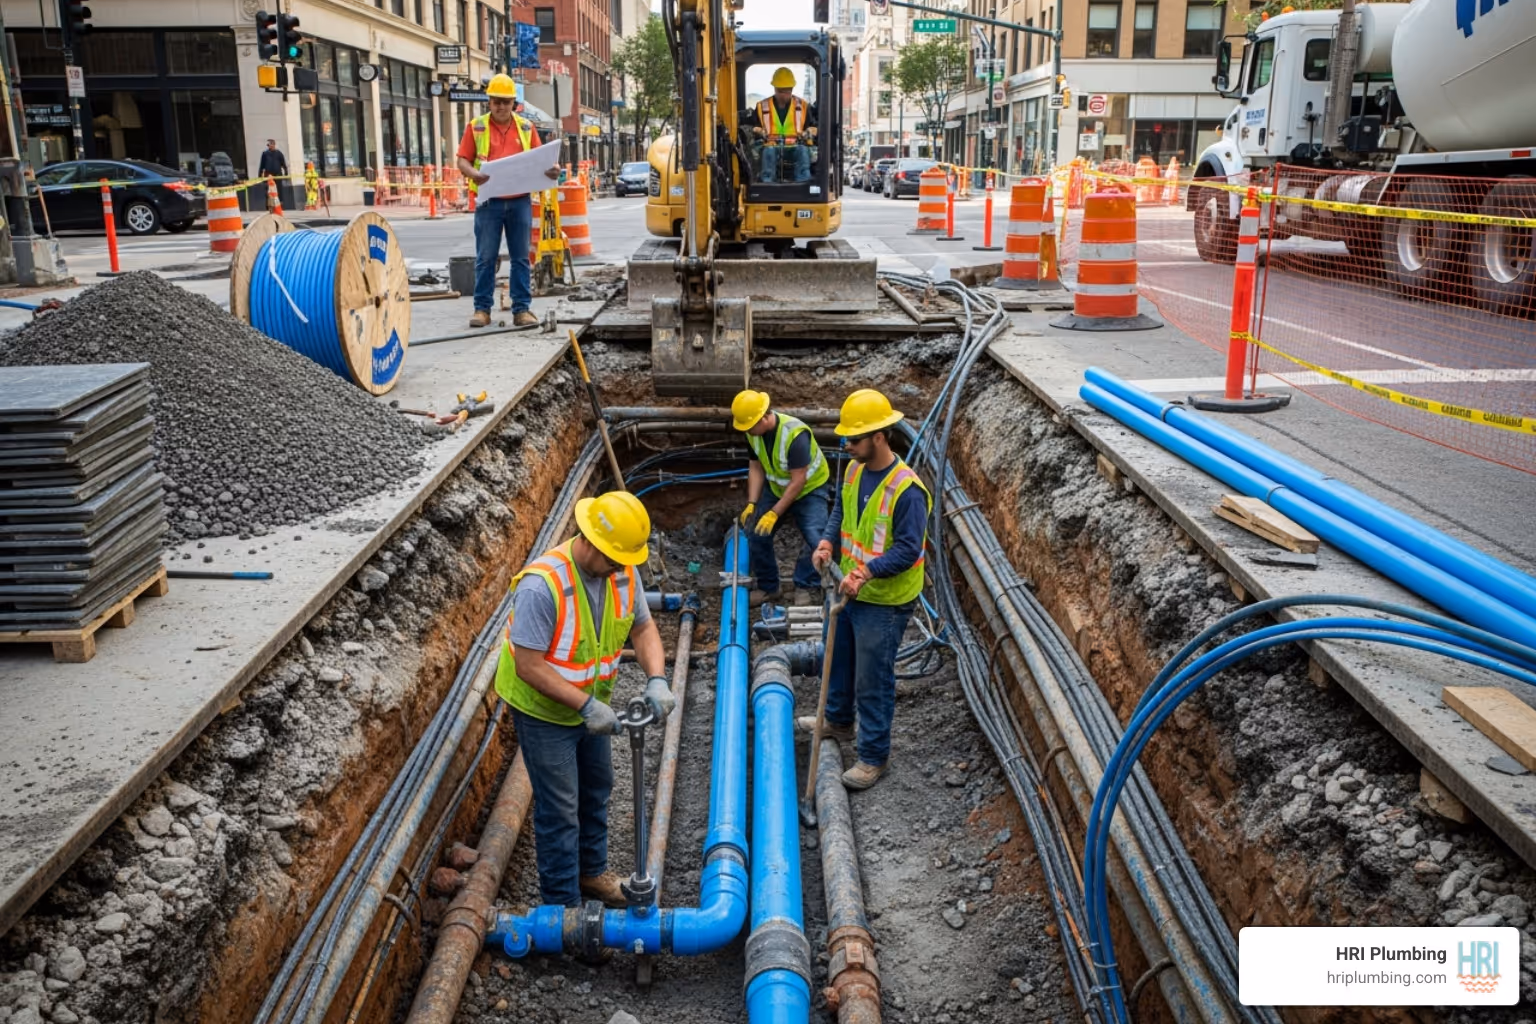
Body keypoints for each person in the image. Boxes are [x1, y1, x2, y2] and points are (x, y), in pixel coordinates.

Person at [496, 490, 676, 913]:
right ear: (590, 541)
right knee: (560, 809)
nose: (621, 568)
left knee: (597, 789)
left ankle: (591, 873)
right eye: (614, 558)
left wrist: (657, 679)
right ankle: (563, 908)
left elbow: (644, 629)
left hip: (591, 706)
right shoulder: (543, 586)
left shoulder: (623, 572)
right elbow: (529, 665)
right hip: (545, 713)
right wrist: (585, 706)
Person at [806, 389, 931, 791]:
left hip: (884, 601)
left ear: (880, 436)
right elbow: (842, 512)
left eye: (854, 439)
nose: (847, 445)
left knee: (872, 679)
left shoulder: (907, 490)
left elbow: (909, 550)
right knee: (837, 656)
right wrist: (827, 542)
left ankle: (873, 755)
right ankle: (838, 721)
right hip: (850, 589)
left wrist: (865, 573)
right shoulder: (855, 470)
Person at [456, 73, 561, 329]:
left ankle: (521, 309)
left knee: (521, 258)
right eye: (496, 101)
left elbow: (542, 160)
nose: (500, 106)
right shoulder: (476, 126)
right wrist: (474, 174)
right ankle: (482, 310)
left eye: (505, 101)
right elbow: (462, 160)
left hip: (519, 202)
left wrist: (553, 169)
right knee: (485, 258)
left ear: (513, 102)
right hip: (488, 202)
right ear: (489, 102)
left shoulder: (526, 127)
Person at [730, 389, 831, 608]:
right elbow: (756, 467)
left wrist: (774, 513)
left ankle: (805, 584)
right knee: (756, 533)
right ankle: (769, 588)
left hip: (809, 489)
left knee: (817, 538)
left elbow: (798, 481)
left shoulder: (795, 436)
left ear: (764, 417)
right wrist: (752, 503)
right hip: (777, 488)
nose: (747, 431)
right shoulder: (752, 432)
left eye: (750, 426)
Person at [748, 67, 816, 183]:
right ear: (774, 89)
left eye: (787, 91)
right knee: (768, 151)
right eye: (780, 91)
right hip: (771, 146)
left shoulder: (803, 106)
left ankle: (803, 182)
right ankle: (768, 183)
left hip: (795, 147)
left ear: (792, 89)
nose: (783, 95)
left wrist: (808, 132)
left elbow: (814, 126)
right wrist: (758, 131)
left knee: (803, 151)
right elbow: (753, 127)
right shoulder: (762, 106)